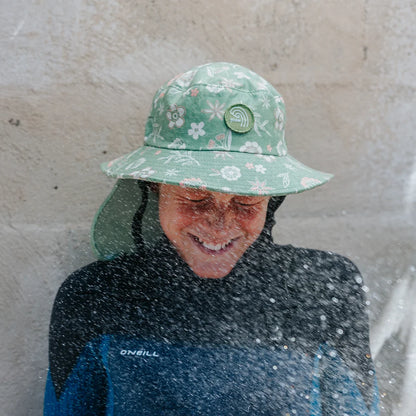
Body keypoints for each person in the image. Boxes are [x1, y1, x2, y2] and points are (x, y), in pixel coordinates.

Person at [44, 62, 379, 415]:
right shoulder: (95, 296)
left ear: (273, 199)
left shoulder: (324, 289)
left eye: (246, 201)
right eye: (195, 198)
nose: (219, 225)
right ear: (155, 189)